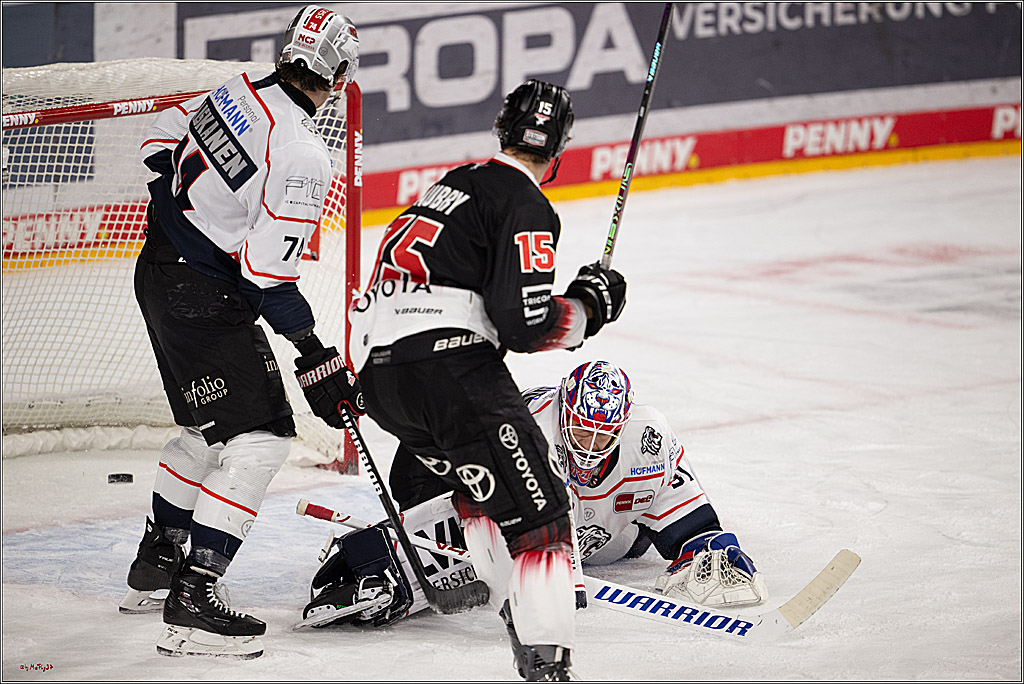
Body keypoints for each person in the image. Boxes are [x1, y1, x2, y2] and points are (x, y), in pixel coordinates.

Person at [345, 80, 628, 681]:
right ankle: (547, 662)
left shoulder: (450, 185)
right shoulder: (526, 203)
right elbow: (521, 325)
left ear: (502, 130)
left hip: (381, 379)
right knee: (545, 511)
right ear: (559, 153)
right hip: (448, 368)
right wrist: (588, 307)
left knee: (486, 493)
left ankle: (514, 611)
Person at [118, 6, 363, 660]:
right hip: (198, 297)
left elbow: (156, 144)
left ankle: (158, 560)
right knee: (259, 439)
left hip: (155, 270)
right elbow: (267, 277)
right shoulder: (303, 152)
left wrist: (195, 219)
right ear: (337, 77)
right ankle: (196, 596)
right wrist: (318, 358)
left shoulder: (239, 89)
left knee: (208, 429)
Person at [297, 361, 767, 635]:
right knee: (477, 539)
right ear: (563, 412)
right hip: (502, 498)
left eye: (602, 438)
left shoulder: (646, 439)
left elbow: (681, 505)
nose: (589, 447)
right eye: (580, 431)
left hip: (606, 536)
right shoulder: (524, 427)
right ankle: (379, 562)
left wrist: (712, 545)